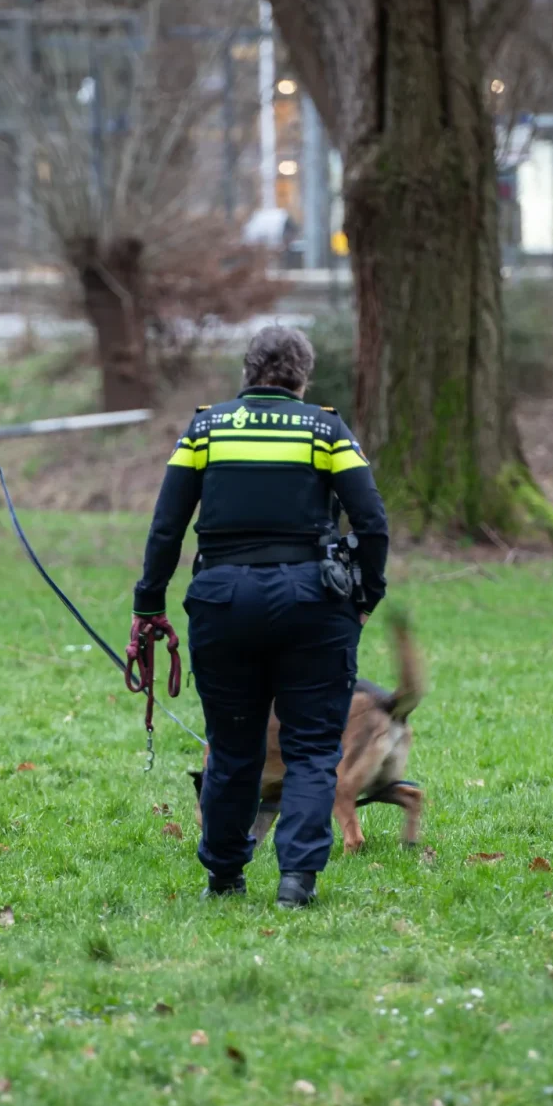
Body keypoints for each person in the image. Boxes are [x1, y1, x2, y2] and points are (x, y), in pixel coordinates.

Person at [131, 325, 388, 907]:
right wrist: (366, 596)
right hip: (313, 604)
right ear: (303, 377)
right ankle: (297, 880)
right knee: (314, 747)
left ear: (247, 373)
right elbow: (371, 522)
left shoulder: (204, 428)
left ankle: (224, 875)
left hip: (222, 602)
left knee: (232, 745)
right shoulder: (327, 429)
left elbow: (167, 526)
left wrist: (148, 606)